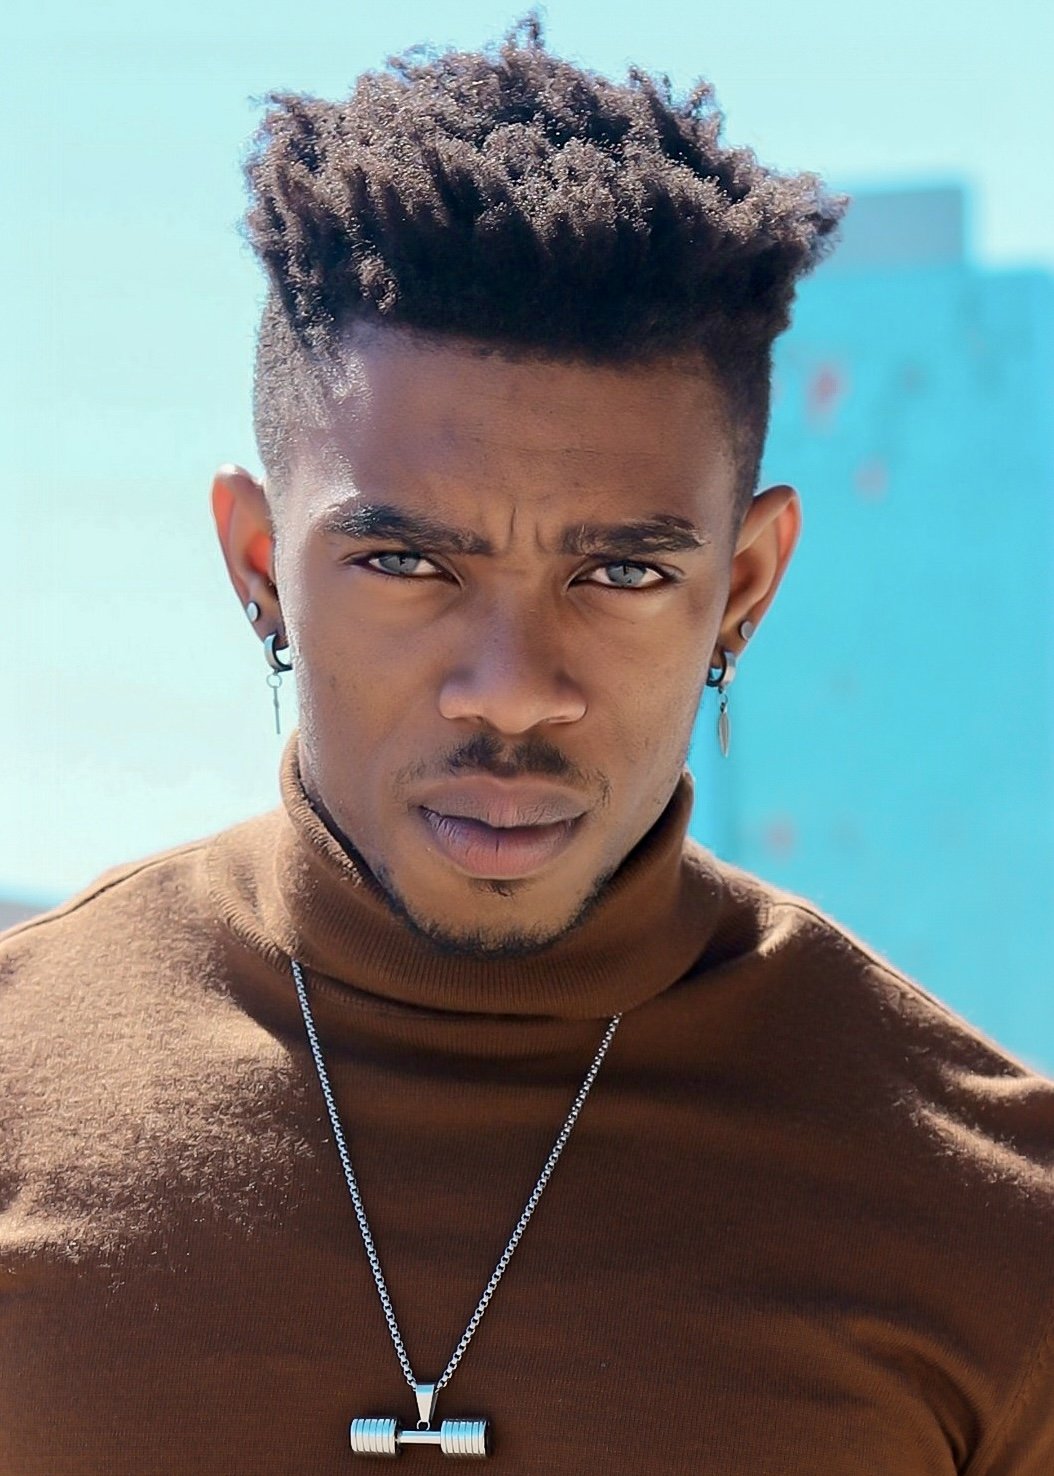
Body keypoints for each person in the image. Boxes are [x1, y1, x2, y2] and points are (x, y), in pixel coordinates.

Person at [2, 21, 1051, 1476]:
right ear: (257, 564)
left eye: (617, 575)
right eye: (408, 566)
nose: (511, 692)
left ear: (741, 587)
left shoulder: (997, 1218)